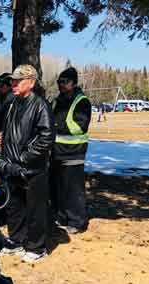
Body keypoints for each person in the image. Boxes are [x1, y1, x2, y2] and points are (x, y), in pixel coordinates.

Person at [0, 65, 55, 263]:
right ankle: (16, 240)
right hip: (12, 165)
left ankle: (36, 246)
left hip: (32, 167)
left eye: (18, 81)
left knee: (35, 208)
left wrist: (25, 157)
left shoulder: (40, 105)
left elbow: (46, 137)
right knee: (15, 206)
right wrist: (2, 138)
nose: (13, 84)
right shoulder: (12, 102)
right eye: (12, 81)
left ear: (31, 82)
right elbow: (10, 129)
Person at [50, 67, 91, 234]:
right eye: (59, 82)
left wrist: (56, 126)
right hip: (56, 153)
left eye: (64, 82)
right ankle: (62, 217)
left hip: (73, 153)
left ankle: (77, 221)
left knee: (73, 190)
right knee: (58, 189)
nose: (61, 85)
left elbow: (79, 126)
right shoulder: (57, 100)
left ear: (73, 83)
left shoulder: (81, 101)